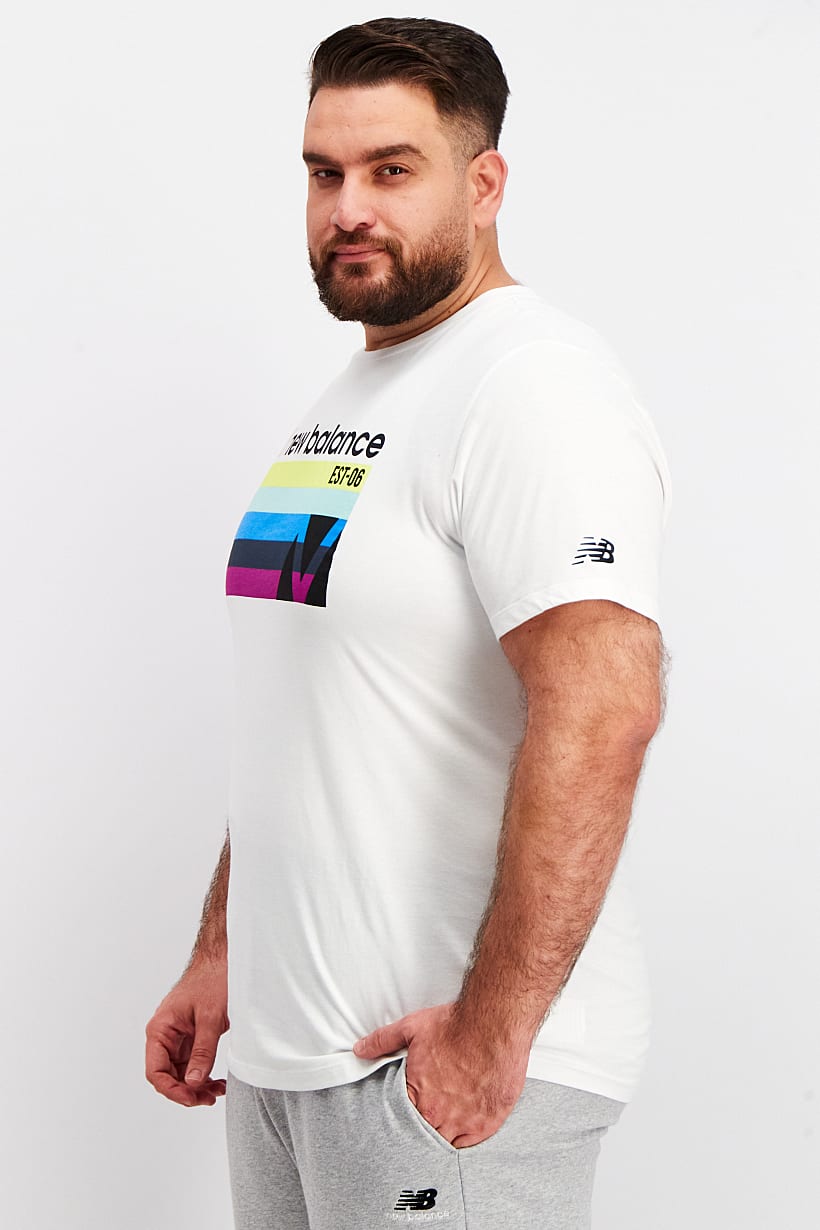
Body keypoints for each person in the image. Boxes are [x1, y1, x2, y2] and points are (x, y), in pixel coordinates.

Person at [145, 17, 670, 1229]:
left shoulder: (530, 384)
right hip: (291, 1058)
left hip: (435, 1073)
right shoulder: (366, 390)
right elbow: (306, 713)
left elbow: (605, 709)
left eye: (391, 170)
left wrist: (492, 1034)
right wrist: (227, 950)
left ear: (482, 185)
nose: (348, 210)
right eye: (323, 172)